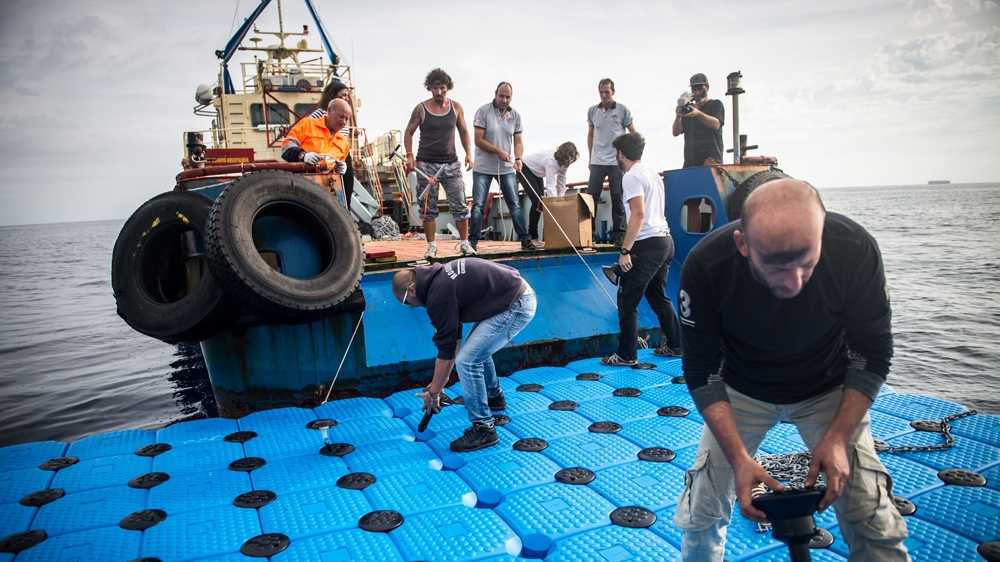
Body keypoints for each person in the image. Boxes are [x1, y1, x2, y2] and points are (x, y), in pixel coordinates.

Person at [673, 179, 909, 561]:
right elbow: (702, 369)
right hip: (741, 389)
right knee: (702, 508)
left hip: (828, 387)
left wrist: (837, 439)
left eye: (808, 263)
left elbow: (873, 353)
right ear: (743, 245)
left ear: (822, 233)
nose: (795, 281)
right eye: (777, 267)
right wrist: (739, 460)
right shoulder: (706, 265)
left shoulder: (854, 248)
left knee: (871, 513)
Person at [392, 257, 536, 452]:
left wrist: (434, 393)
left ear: (411, 290)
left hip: (515, 303)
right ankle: (493, 396)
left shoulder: (438, 296)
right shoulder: (436, 280)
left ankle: (484, 428)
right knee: (474, 352)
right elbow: (453, 340)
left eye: (405, 302)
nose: (410, 306)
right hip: (508, 295)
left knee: (467, 361)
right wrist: (437, 385)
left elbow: (447, 353)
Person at [599, 132, 682, 367]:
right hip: (665, 241)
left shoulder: (631, 176)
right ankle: (676, 346)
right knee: (658, 296)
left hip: (647, 244)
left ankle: (626, 355)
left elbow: (638, 214)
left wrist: (625, 251)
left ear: (620, 153)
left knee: (627, 300)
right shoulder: (652, 173)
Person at [403, 68, 476, 260]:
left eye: (442, 88)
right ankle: (431, 246)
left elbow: (464, 131)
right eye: (435, 88)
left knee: (460, 205)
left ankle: (465, 244)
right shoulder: (421, 109)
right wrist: (409, 155)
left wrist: (469, 154)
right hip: (426, 164)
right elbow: (408, 132)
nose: (439, 92)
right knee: (428, 208)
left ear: (448, 88)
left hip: (451, 163)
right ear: (429, 88)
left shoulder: (456, 107)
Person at [470, 82, 540, 251]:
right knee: (478, 205)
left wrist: (519, 158)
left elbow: (518, 141)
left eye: (508, 97)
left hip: (506, 168)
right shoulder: (483, 111)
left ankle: (525, 239)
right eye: (501, 96)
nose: (504, 100)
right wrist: (498, 151)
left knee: (515, 204)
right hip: (483, 168)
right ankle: (472, 242)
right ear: (495, 94)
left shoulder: (515, 115)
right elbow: (478, 140)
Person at [587, 78, 636, 246]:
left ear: (613, 92)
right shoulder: (592, 111)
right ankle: (589, 234)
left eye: (607, 92)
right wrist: (590, 158)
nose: (604, 95)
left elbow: (633, 132)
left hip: (616, 162)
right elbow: (590, 135)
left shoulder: (622, 110)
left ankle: (619, 236)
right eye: (601, 92)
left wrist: (632, 157)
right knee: (591, 199)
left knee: (618, 199)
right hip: (597, 161)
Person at [516, 142, 580, 246]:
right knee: (537, 201)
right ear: (563, 156)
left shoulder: (564, 163)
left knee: (540, 201)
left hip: (536, 172)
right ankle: (533, 237)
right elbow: (550, 185)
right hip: (525, 168)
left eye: (571, 160)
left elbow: (561, 180)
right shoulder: (551, 162)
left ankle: (534, 236)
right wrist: (554, 204)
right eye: (568, 160)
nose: (569, 163)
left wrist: (561, 200)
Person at [309, 81, 357, 208]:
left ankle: (345, 212)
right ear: (332, 95)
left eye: (347, 95)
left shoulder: (344, 116)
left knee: (346, 190)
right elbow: (309, 128)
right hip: (326, 153)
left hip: (343, 155)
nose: (346, 98)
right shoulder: (320, 114)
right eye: (342, 95)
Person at [281, 98, 351, 181]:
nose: (343, 122)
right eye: (341, 116)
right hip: (299, 182)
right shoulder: (307, 124)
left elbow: (337, 175)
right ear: (329, 110)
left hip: (326, 186)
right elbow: (286, 147)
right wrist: (303, 156)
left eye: (346, 119)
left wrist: (338, 169)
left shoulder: (344, 143)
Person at [672, 73, 725, 168]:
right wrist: (678, 117)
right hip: (690, 163)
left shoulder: (715, 104)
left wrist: (698, 114)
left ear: (707, 88)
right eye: (694, 90)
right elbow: (676, 132)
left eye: (700, 89)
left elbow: (716, 124)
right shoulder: (689, 109)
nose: (697, 93)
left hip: (711, 161)